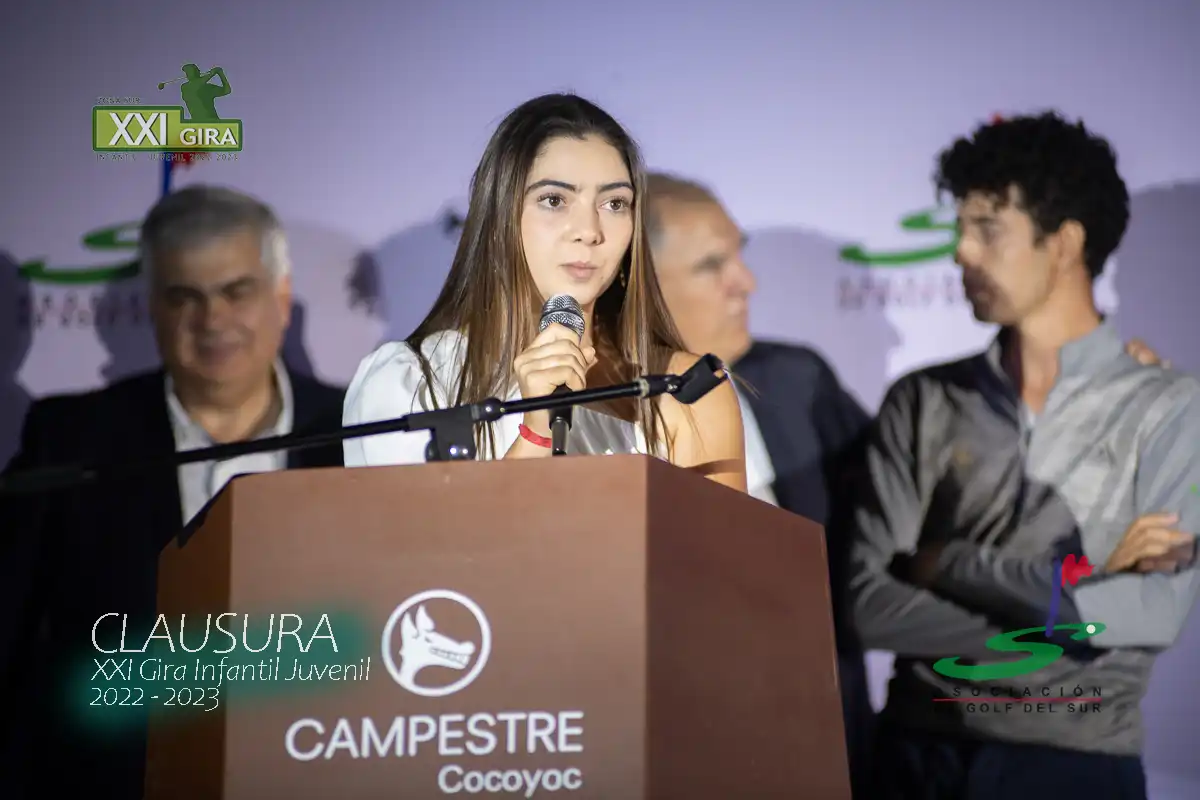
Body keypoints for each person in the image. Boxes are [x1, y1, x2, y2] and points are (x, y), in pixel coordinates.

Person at [847, 111, 1200, 800]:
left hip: (1075, 766)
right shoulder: (923, 398)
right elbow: (870, 606)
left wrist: (946, 565)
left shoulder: (1167, 406)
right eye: (959, 229)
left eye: (987, 229)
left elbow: (1149, 614)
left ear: (1064, 243)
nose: (961, 253)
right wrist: (1081, 605)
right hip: (918, 756)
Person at [0, 185, 346, 799]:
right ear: (152, 309)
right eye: (184, 296)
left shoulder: (353, 430)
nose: (212, 320)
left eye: (235, 291)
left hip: (316, 769)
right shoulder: (70, 439)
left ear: (281, 297)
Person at [342, 94, 746, 491]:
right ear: (500, 219)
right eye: (554, 200)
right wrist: (535, 432)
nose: (589, 231)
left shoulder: (682, 390)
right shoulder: (410, 380)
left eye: (614, 203)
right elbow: (424, 536)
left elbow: (721, 537)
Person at [643, 171, 876, 797]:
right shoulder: (571, 419)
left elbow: (908, 502)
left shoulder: (798, 380)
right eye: (711, 266)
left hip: (820, 739)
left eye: (738, 255)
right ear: (638, 288)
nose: (745, 282)